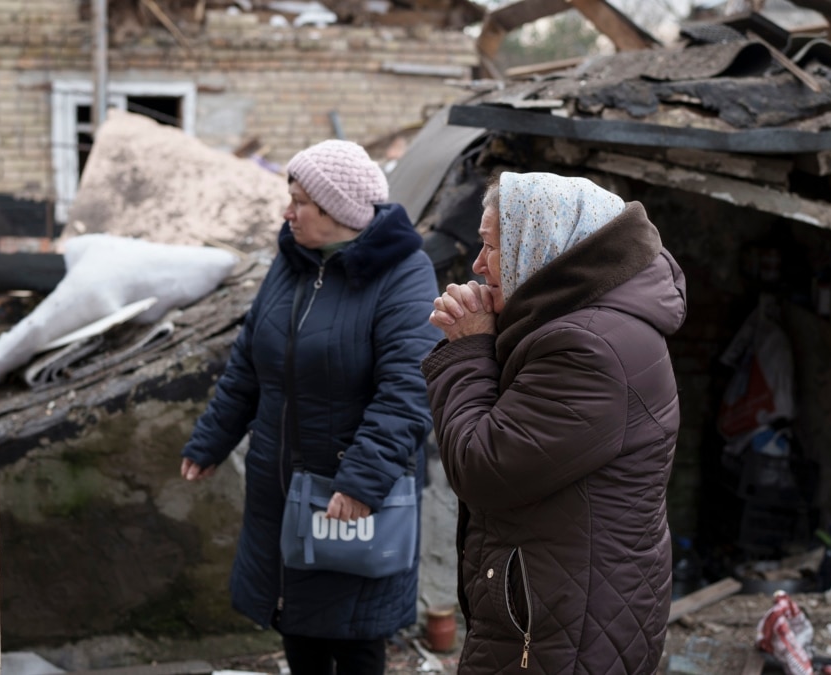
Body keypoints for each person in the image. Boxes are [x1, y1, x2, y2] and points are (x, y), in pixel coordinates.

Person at [179, 140, 440, 675]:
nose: (287, 211)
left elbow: (410, 388)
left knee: (355, 636)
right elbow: (249, 364)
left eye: (301, 202)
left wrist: (361, 480)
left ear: (340, 212)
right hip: (280, 489)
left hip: (349, 496)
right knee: (295, 622)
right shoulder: (291, 264)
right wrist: (212, 438)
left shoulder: (404, 275)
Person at [422, 171, 686, 674]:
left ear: (539, 245)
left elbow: (483, 466)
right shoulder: (575, 323)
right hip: (564, 603)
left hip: (564, 624)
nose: (478, 265)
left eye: (491, 247)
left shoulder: (589, 347)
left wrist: (470, 350)